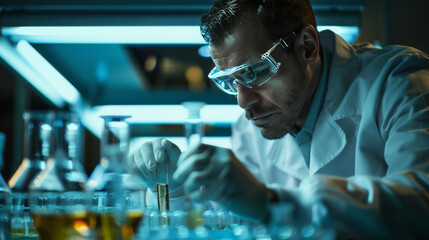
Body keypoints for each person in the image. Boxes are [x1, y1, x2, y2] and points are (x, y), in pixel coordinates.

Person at [129, 0, 429, 238]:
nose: (243, 102)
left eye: (253, 72)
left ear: (307, 47)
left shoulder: (400, 83)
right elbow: (221, 224)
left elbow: (420, 205)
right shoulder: (249, 131)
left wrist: (272, 204)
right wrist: (174, 187)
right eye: (231, 82)